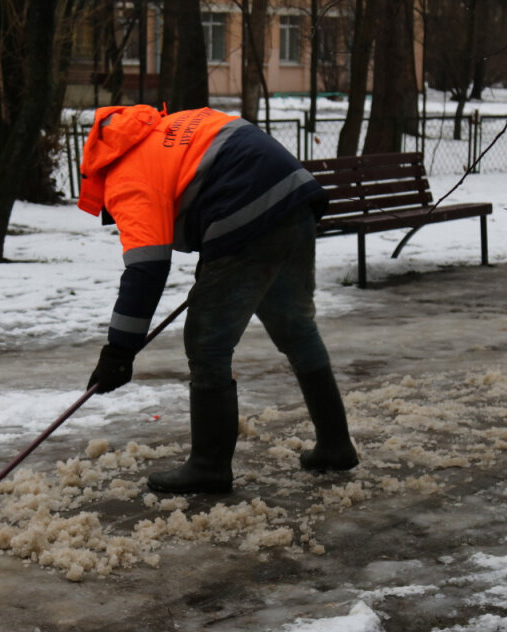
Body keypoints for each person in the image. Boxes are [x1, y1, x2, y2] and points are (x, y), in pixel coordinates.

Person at [79, 104, 357, 494]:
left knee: (207, 340)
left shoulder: (127, 178)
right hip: (295, 197)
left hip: (246, 209)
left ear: (97, 172)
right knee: (295, 327)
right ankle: (336, 444)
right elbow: (209, 182)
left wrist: (119, 352)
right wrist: (215, 251)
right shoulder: (166, 129)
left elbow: (146, 270)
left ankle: (209, 466)